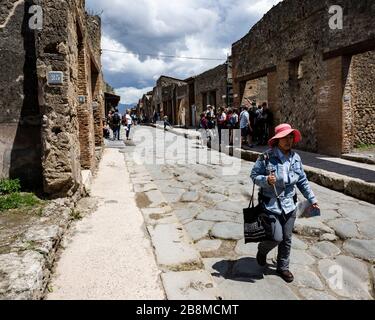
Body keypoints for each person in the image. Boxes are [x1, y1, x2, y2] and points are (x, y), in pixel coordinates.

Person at [250, 124, 319, 283]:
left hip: (290, 205)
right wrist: (266, 180)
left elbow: (302, 181)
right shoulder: (266, 157)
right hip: (271, 205)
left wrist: (312, 199)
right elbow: (254, 175)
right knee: (276, 237)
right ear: (277, 140)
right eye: (284, 138)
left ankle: (283, 267)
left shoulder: (296, 158)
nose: (288, 141)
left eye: (290, 137)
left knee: (287, 238)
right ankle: (262, 250)